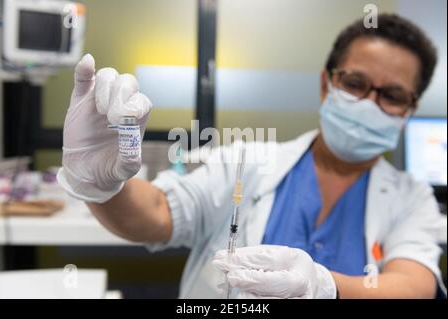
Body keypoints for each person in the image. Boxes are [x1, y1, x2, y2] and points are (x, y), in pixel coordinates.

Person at [57, 14, 446, 298]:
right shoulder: (246, 161)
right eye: (356, 83)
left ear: (409, 109)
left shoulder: (411, 199)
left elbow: (415, 284)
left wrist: (327, 286)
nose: (368, 103)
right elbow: (158, 213)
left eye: (392, 96)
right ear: (327, 85)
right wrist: (102, 185)